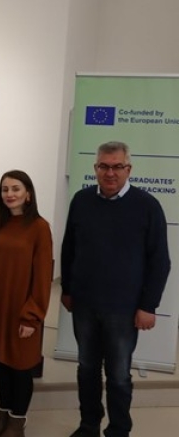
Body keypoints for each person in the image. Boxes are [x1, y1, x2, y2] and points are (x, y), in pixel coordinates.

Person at [61, 141, 170, 437]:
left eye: (117, 167)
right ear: (95, 168)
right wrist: (67, 289)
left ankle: (119, 429)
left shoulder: (147, 206)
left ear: (128, 169)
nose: (110, 173)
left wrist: (148, 305)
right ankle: (89, 424)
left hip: (123, 309)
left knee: (119, 375)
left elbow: (160, 261)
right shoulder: (81, 200)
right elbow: (69, 249)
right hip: (84, 305)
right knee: (86, 369)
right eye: (104, 166)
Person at [0, 170, 53, 437]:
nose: (9, 194)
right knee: (2, 365)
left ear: (28, 194)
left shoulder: (39, 228)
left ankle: (16, 423)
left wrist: (32, 316)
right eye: (5, 189)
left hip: (23, 309)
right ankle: (2, 418)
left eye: (15, 189)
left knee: (20, 368)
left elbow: (43, 276)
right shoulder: (1, 223)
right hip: (0, 308)